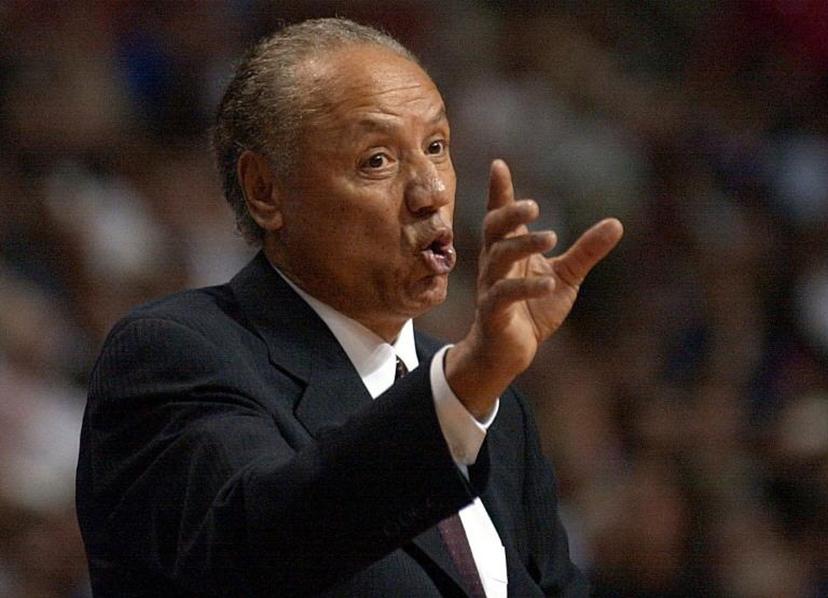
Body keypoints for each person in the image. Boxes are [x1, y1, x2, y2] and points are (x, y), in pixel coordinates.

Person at [76, 17, 623, 597]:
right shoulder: (178, 353)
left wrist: (469, 388)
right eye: (377, 161)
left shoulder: (496, 412)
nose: (431, 191)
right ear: (266, 191)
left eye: (437, 147)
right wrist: (461, 391)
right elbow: (257, 552)